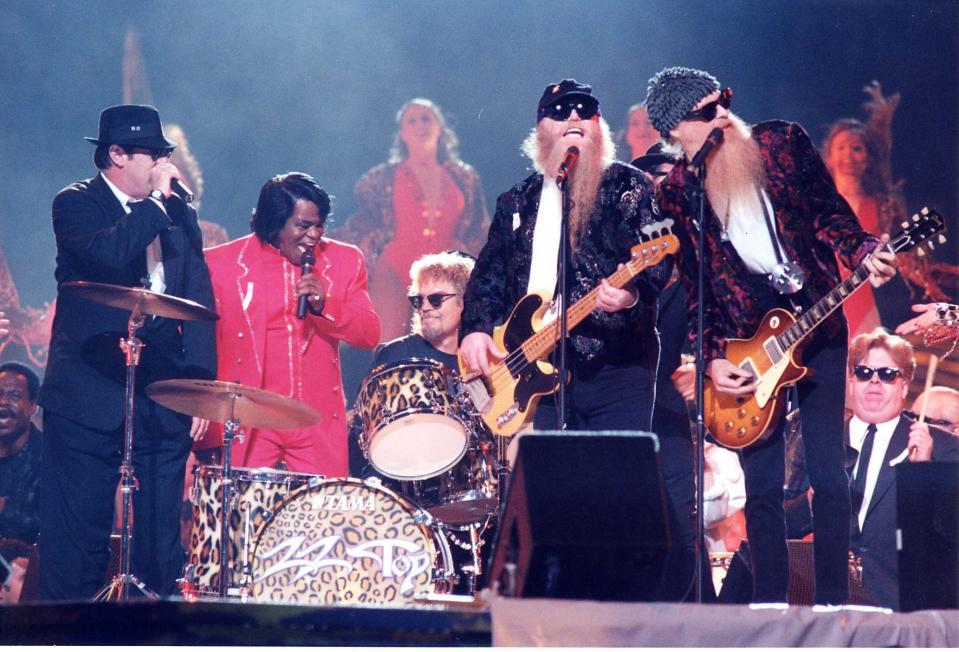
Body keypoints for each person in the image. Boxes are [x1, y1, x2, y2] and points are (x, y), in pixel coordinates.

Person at [646, 66, 898, 605]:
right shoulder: (677, 195)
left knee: (829, 474)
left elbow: (832, 216)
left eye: (725, 102)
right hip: (746, 343)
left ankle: (833, 603)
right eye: (706, 112)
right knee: (761, 486)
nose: (723, 116)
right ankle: (767, 603)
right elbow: (698, 289)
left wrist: (863, 252)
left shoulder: (782, 142)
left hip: (818, 320)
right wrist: (711, 357)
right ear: (675, 130)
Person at [38, 104, 216, 599]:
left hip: (160, 388)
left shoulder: (179, 212)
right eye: (152, 154)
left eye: (165, 154)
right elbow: (109, 254)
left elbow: (198, 296)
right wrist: (157, 203)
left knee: (159, 538)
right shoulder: (76, 204)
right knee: (78, 538)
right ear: (115, 154)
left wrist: (198, 386)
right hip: (87, 390)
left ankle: (150, 632)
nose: (162, 164)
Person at [460, 78, 669, 433]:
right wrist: (475, 330)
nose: (574, 116)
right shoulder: (516, 201)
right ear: (541, 129)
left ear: (598, 125)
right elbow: (488, 275)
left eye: (585, 111)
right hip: (535, 372)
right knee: (557, 483)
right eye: (560, 111)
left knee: (620, 480)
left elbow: (660, 257)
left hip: (616, 365)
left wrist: (630, 296)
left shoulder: (628, 186)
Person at [201, 172, 379, 475]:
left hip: (315, 419)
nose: (315, 235)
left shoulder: (345, 260)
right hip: (250, 419)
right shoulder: (222, 265)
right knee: (246, 516)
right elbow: (201, 341)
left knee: (321, 515)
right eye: (303, 225)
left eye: (320, 224)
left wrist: (325, 306)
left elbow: (368, 333)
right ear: (274, 224)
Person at [337, 98, 490, 342]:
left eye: (426, 118)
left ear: (440, 127)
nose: (420, 125)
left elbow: (479, 230)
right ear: (403, 133)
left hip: (446, 277)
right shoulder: (379, 179)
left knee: (448, 348)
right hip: (393, 272)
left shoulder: (464, 177)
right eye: (412, 120)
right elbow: (360, 226)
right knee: (388, 350)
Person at [845, 329, 958, 610]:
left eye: (886, 374)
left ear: (905, 385)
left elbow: (951, 536)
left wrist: (925, 472)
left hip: (905, 609)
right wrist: (811, 502)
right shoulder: (818, 440)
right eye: (863, 372)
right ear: (850, 381)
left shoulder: (942, 445)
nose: (873, 381)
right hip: (831, 610)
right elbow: (784, 519)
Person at [0, 362, 42, 545]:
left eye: (15, 396)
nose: (3, 402)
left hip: (34, 565)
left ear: (33, 407)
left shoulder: (51, 458)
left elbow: (52, 525)